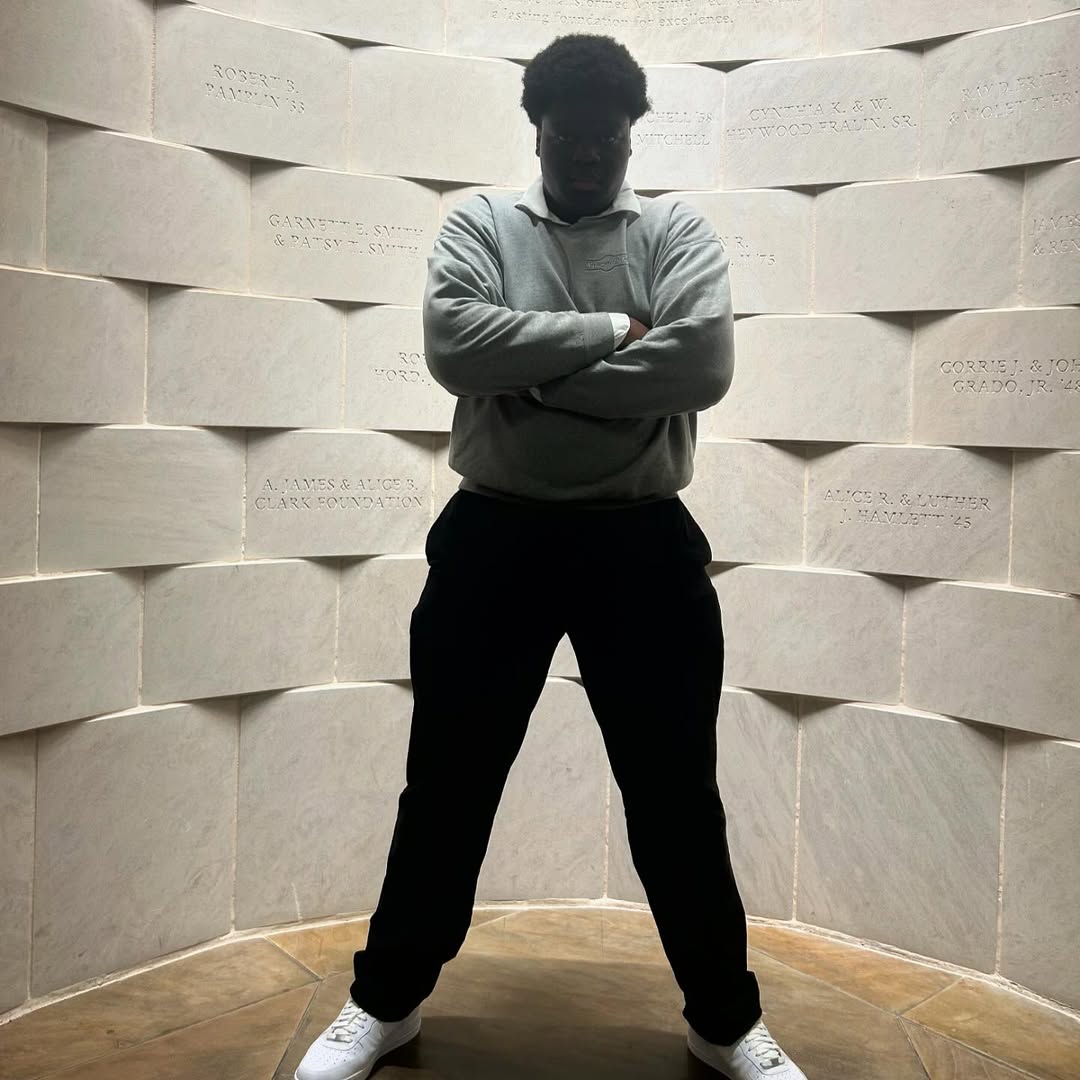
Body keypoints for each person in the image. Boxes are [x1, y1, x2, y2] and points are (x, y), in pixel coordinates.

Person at [296, 33, 807, 1080]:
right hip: (495, 537)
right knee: (447, 786)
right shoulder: (481, 224)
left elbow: (702, 364)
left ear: (631, 136)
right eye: (569, 135)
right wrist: (618, 329)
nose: (588, 154)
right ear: (537, 131)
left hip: (643, 543)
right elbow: (455, 346)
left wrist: (528, 370)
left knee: (675, 796)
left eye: (606, 138)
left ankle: (723, 1020)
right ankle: (385, 1003)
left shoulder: (675, 231)